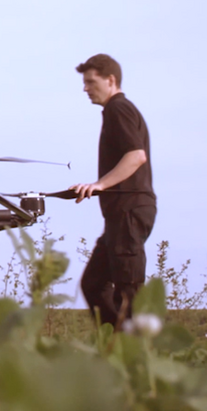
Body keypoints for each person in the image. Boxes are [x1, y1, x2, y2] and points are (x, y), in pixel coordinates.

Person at [70, 53, 157, 330]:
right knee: (93, 284)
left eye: (90, 82)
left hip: (129, 211)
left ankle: (139, 357)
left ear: (111, 80)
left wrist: (99, 185)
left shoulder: (119, 108)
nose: (85, 88)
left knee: (128, 292)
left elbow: (137, 156)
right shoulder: (113, 111)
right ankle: (118, 343)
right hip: (119, 216)